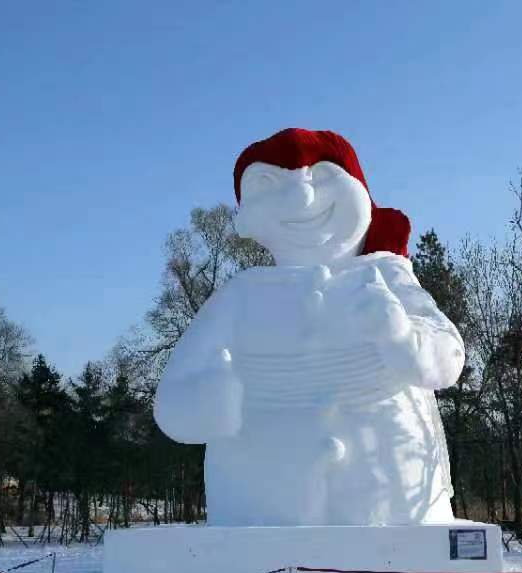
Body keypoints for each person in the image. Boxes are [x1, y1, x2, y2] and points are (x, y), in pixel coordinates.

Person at [154, 128, 464, 526]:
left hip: (392, 495)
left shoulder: (387, 276)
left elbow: (448, 358)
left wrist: (402, 335)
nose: (301, 197)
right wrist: (208, 403)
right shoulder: (242, 295)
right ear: (247, 218)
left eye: (321, 178)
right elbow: (172, 402)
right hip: (261, 504)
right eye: (270, 184)